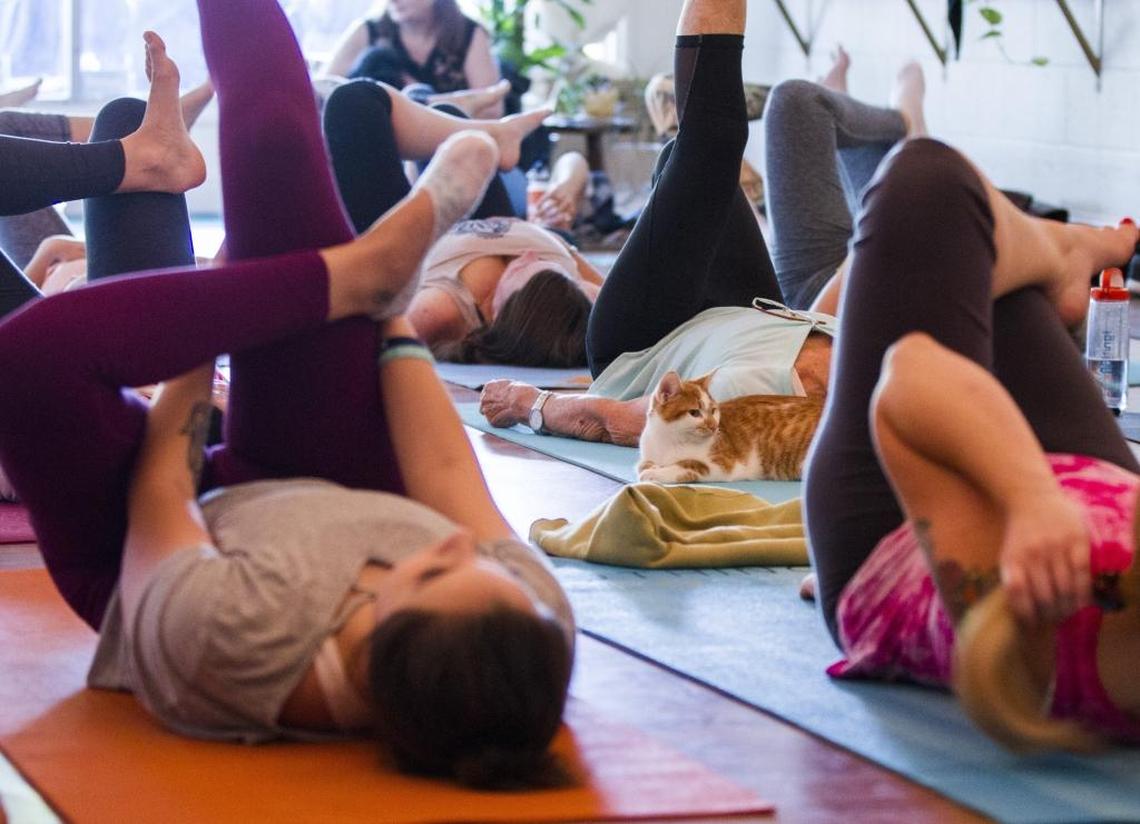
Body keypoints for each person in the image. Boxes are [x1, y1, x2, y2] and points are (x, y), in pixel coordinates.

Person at [0, 0, 574, 791]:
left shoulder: (227, 638)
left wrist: (222, 310)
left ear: (363, 654)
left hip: (152, 522)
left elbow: (163, 486)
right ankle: (359, 276)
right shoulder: (524, 626)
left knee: (27, 359)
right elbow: (444, 470)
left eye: (433, 576)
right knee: (272, 140)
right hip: (329, 468)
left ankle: (332, 275)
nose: (451, 545)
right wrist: (388, 318)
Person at [800, 124, 1140, 746]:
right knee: (973, 266)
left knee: (927, 187)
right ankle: (1053, 254)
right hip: (1089, 481)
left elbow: (912, 376)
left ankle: (1057, 250)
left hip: (895, 518)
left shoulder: (1053, 632)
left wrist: (1032, 498)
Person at [324, 79, 600, 366]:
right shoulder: (580, 301)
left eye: (522, 267)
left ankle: (469, 124)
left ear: (496, 312)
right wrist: (567, 187)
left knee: (354, 103)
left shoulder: (440, 310)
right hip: (491, 217)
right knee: (448, 117)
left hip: (411, 239)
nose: (528, 254)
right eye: (551, 266)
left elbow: (371, 344)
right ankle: (457, 116)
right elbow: (575, 162)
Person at [323, 0, 504, 118]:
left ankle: (425, 103)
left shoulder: (469, 33)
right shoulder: (367, 31)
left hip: (445, 143)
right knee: (376, 60)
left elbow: (491, 110)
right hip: (377, 141)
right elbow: (323, 90)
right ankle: (433, 103)